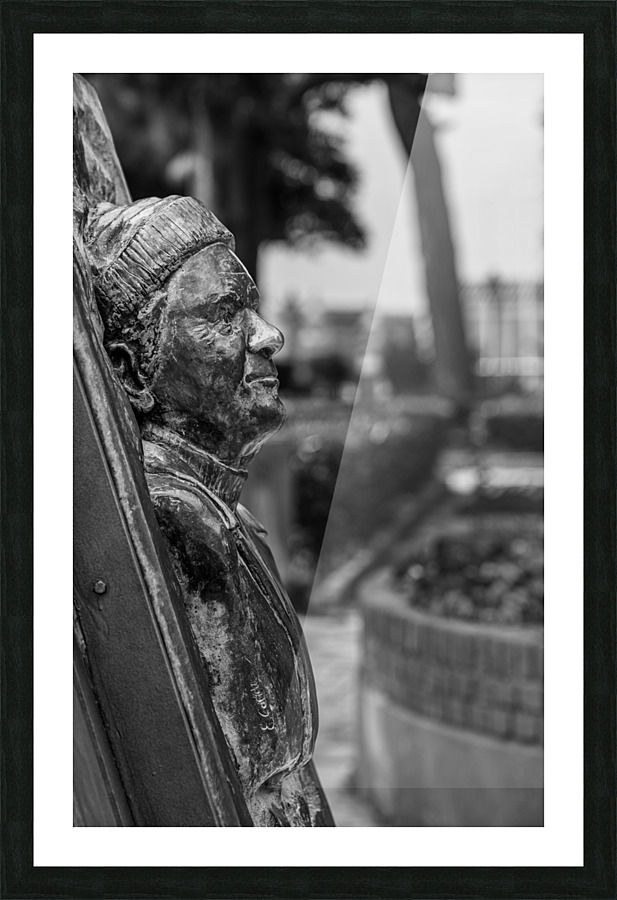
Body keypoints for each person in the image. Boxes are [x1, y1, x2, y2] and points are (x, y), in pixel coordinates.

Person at [85, 195, 333, 827]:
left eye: (250, 305)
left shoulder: (220, 510)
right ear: (132, 369)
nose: (268, 334)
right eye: (225, 314)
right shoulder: (179, 518)